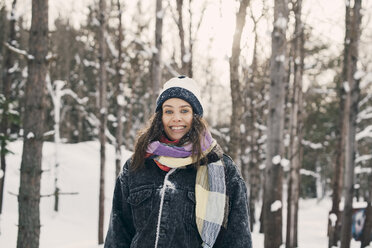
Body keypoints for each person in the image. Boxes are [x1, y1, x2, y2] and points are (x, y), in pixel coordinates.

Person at [104, 76, 252, 248]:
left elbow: (237, 241)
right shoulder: (137, 165)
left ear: (195, 116)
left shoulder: (223, 170)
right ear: (160, 116)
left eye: (184, 111)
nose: (176, 118)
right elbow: (118, 235)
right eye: (168, 111)